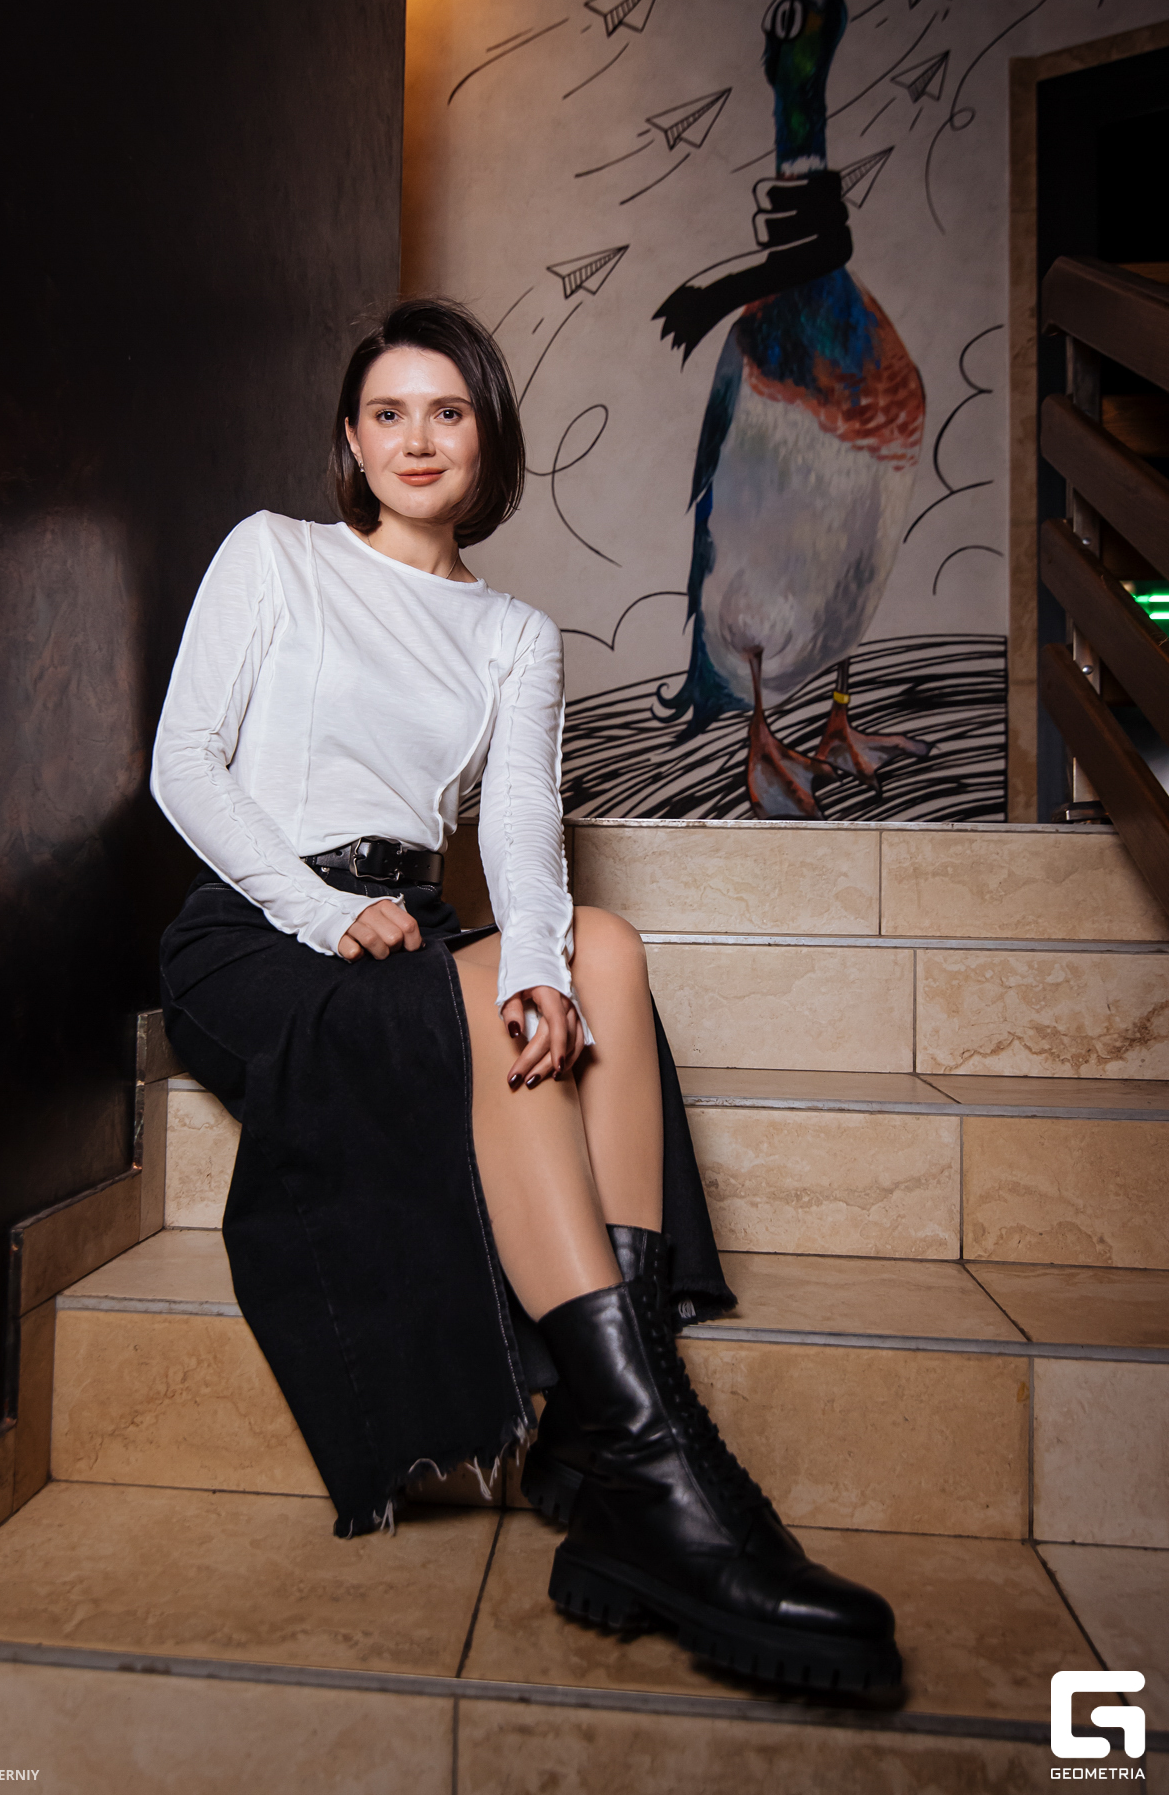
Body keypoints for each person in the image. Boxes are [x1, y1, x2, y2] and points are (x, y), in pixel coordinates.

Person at [151, 297, 899, 1693]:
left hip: (414, 930)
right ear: (350, 439)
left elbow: (518, 836)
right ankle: (646, 1467)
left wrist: (540, 967)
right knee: (514, 974)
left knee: (600, 948)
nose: (416, 438)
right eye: (387, 413)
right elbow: (184, 763)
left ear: (486, 436)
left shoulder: (510, 630)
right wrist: (322, 909)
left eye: (446, 411)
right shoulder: (276, 555)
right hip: (263, 930)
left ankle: (631, 1439)